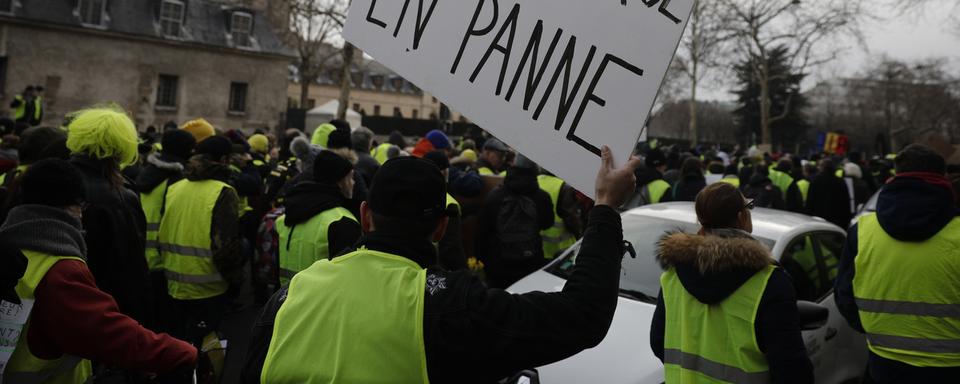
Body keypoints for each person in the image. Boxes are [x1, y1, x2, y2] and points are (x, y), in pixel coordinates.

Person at [242, 146, 640, 383]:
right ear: (439, 227)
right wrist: (605, 207)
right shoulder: (449, 304)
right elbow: (581, 316)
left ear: (365, 216)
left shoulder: (289, 296)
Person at [0, 159, 197, 383]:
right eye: (81, 206)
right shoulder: (61, 267)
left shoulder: (10, 245)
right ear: (71, 205)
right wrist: (179, 352)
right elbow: (107, 333)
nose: (82, 215)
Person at [650, 182, 814, 383]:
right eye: (749, 207)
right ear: (740, 216)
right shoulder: (769, 282)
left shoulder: (673, 274)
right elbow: (792, 370)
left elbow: (659, 342)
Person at [835, 144, 960, 383]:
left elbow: (844, 295)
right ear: (942, 178)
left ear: (895, 175)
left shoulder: (862, 231)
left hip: (884, 362)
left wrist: (879, 329)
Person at [66, 107, 153, 327]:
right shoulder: (120, 198)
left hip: (49, 300)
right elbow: (130, 268)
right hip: (99, 310)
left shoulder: (46, 179)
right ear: (123, 146)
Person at [158, 135, 245, 347]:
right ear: (224, 160)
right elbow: (226, 247)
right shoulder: (223, 192)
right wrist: (236, 281)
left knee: (177, 348)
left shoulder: (175, 187)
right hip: (209, 288)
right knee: (206, 352)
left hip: (173, 284)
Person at [135, 129, 196, 333]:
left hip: (140, 255)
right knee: (164, 326)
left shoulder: (144, 172)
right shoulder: (176, 181)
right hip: (163, 261)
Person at [275, 151, 361, 287]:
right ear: (341, 181)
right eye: (350, 178)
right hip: (323, 303)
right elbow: (348, 281)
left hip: (286, 299)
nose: (354, 183)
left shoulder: (285, 217)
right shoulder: (342, 222)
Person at [476, 155, 555, 289]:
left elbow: (482, 233)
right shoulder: (542, 197)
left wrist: (485, 263)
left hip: (499, 266)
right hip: (531, 263)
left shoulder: (495, 196)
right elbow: (548, 223)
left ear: (513, 167)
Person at [423, 151, 468, 271]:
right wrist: (466, 276)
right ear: (443, 172)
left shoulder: (412, 195)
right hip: (438, 270)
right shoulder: (448, 204)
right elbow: (452, 249)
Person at [537, 172, 582, 259]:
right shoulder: (564, 186)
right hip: (562, 250)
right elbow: (572, 219)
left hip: (540, 248)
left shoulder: (536, 180)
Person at [805, 159, 853, 228]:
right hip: (837, 220)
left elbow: (810, 202)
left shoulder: (815, 181)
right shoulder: (840, 182)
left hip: (818, 219)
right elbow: (846, 202)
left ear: (821, 168)